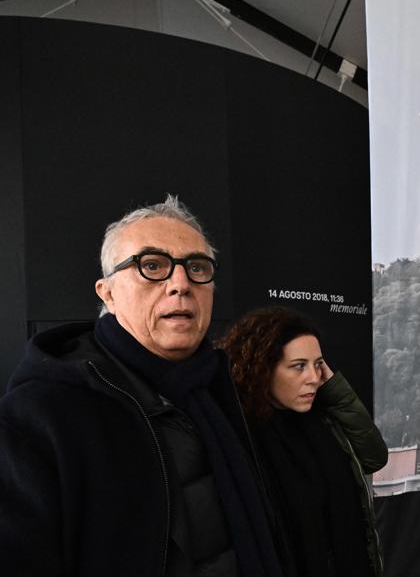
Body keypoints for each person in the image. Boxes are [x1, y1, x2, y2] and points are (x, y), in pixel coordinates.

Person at [0, 195, 285, 577]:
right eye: (151, 265)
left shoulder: (223, 390)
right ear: (108, 293)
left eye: (197, 267)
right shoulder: (39, 414)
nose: (181, 284)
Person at [219, 306, 388, 577]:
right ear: (263, 368)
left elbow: (373, 456)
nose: (313, 378)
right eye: (299, 366)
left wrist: (335, 391)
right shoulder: (240, 436)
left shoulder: (324, 417)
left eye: (318, 364)